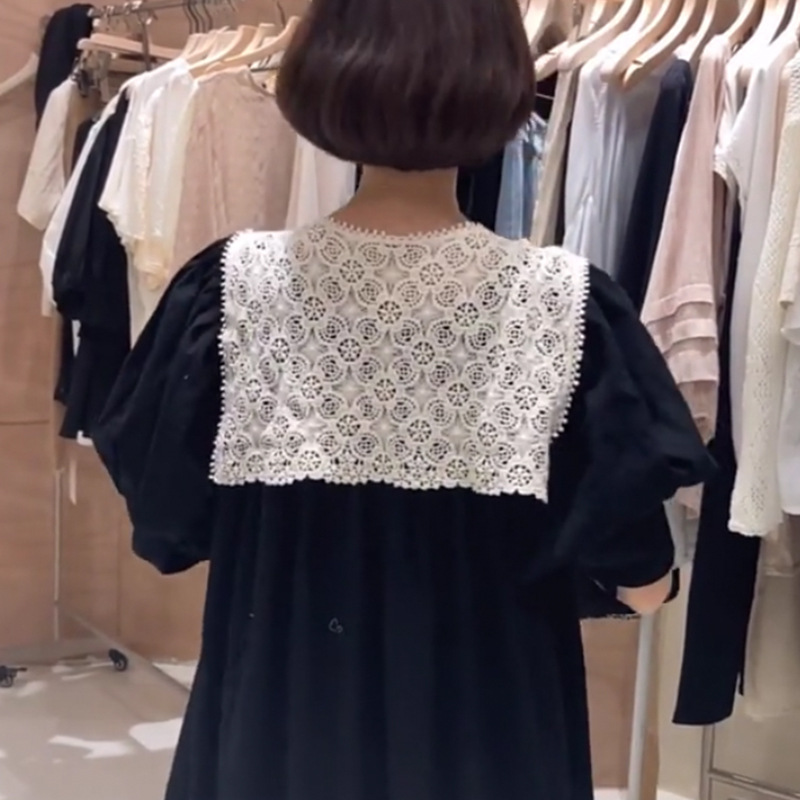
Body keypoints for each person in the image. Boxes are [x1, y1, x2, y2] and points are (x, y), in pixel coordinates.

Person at [93, 0, 714, 797]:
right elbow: (641, 576)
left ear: (320, 75)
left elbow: (168, 522)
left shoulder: (229, 291)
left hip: (282, 727)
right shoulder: (563, 304)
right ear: (500, 83)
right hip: (490, 737)